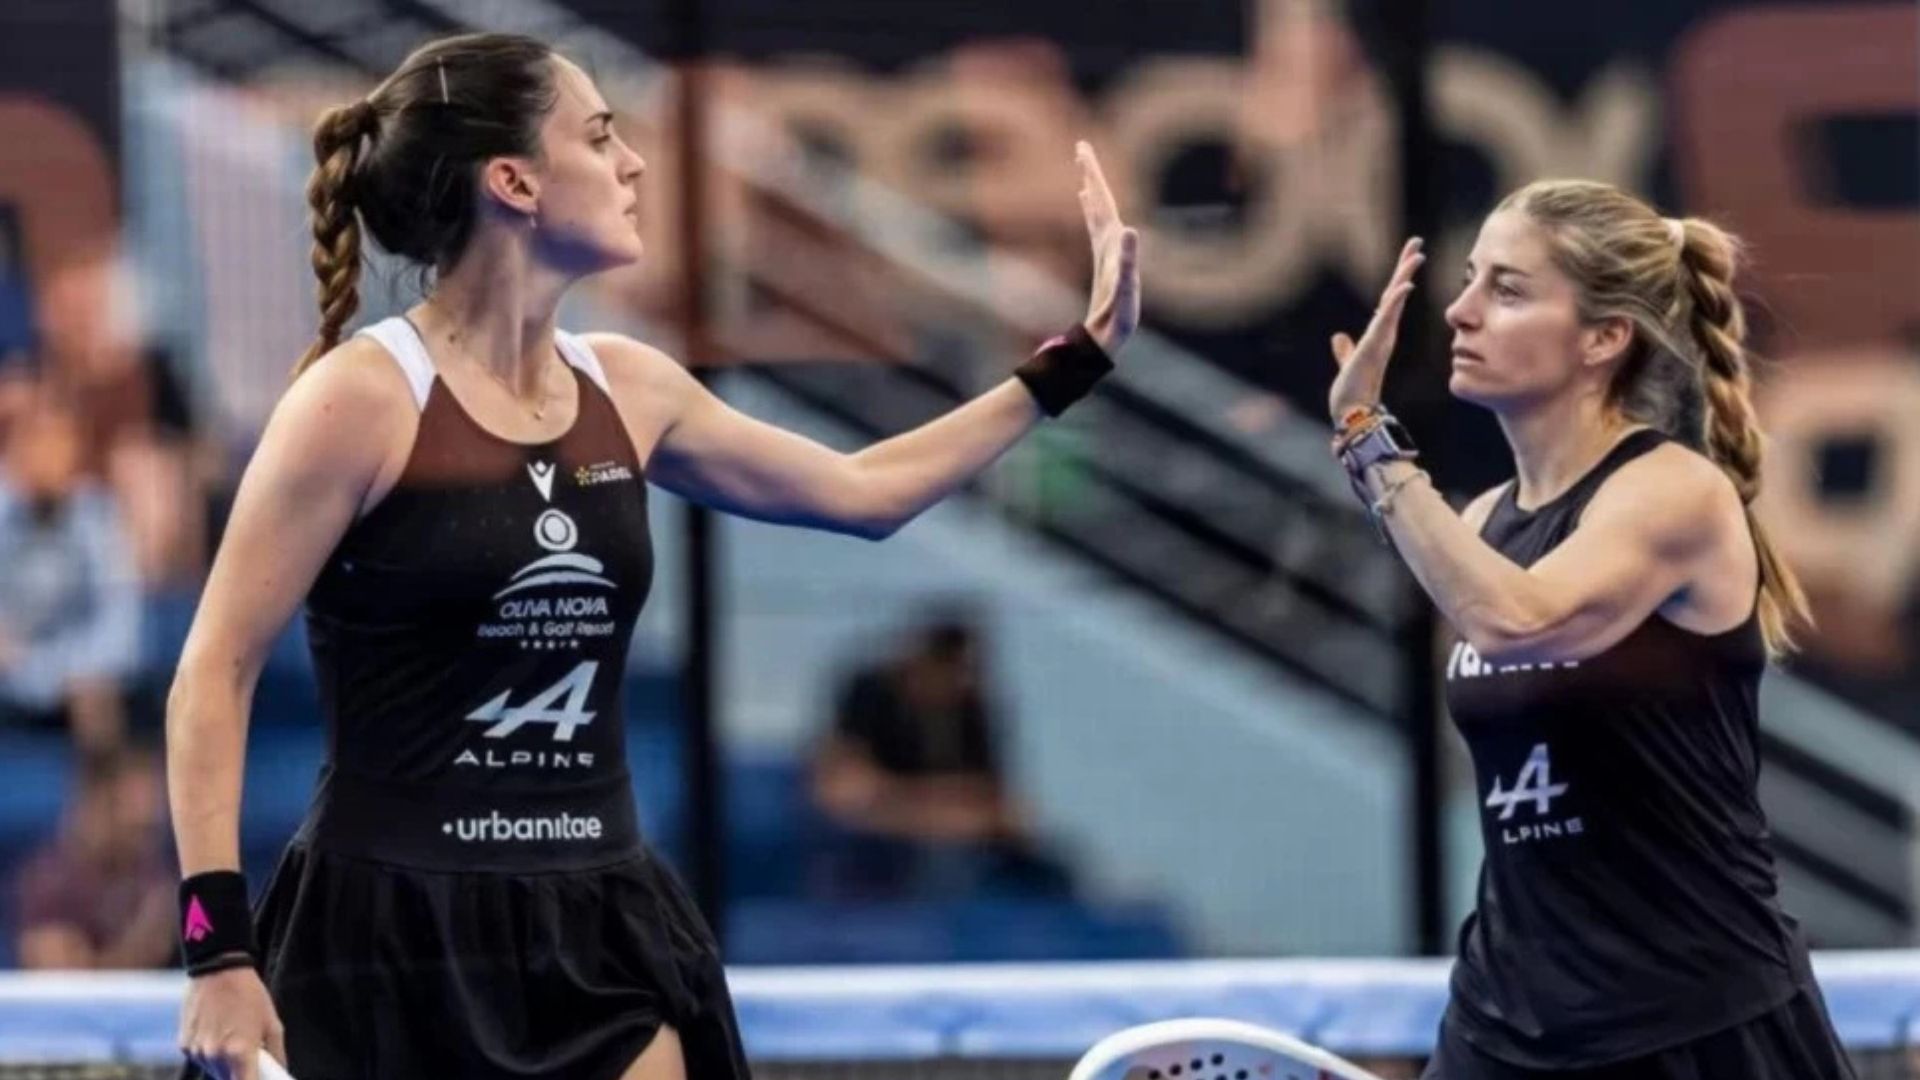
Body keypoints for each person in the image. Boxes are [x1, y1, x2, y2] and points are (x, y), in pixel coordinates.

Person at [169, 31, 1139, 1080]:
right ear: (514, 181)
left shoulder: (632, 389)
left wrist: (1070, 364)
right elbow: (212, 673)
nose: (632, 164)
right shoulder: (358, 400)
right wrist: (216, 951)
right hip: (389, 934)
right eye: (599, 136)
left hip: (603, 923)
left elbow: (868, 493)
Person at [1323, 181, 1854, 1078]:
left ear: (1605, 339)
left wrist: (1367, 440)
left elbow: (1515, 619)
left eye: (1509, 289)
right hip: (1504, 1024)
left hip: (1692, 1019)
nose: (1460, 311)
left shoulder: (1674, 491)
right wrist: (1368, 451)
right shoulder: (1483, 518)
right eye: (1469, 279)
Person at [810, 613, 1066, 899]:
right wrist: (935, 809)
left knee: (1049, 871)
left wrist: (962, 812)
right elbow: (846, 794)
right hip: (882, 845)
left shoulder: (970, 707)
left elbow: (993, 799)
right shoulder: (869, 695)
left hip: (960, 840)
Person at [0, 373, 143, 752]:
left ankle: (97, 813)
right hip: (7, 692)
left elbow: (121, 636)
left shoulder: (98, 517)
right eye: (36, 440)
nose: (48, 454)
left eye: (60, 441)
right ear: (15, 447)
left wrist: (43, 669)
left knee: (100, 705)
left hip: (72, 689)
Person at [14, 740, 176, 969]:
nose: (146, 819)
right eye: (136, 824)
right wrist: (141, 945)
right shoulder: (49, 881)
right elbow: (61, 979)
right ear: (99, 803)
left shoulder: (156, 879)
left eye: (149, 826)